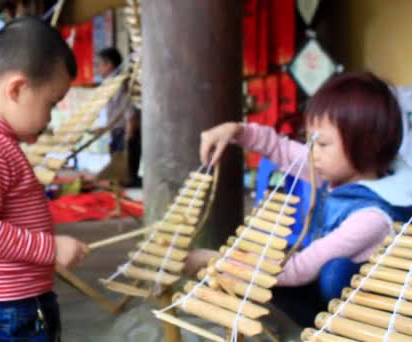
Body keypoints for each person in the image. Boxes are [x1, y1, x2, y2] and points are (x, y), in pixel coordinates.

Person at [188, 72, 412, 326]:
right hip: (324, 288)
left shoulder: (371, 218)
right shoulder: (350, 169)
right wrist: (236, 130)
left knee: (322, 274)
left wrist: (216, 260)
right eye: (310, 141)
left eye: (322, 143)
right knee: (273, 279)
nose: (312, 152)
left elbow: (299, 270)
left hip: (365, 316)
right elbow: (280, 149)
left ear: (366, 145)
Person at [0, 17, 89, 341]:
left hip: (14, 305)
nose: (49, 118)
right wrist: (49, 248)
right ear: (18, 89)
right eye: (50, 104)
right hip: (8, 311)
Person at [96, 47, 141, 186]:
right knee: (118, 177)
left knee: (125, 177)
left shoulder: (121, 83)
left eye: (99, 64)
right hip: (117, 132)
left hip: (124, 133)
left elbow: (129, 109)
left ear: (109, 64)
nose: (98, 68)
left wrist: (129, 133)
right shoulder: (110, 83)